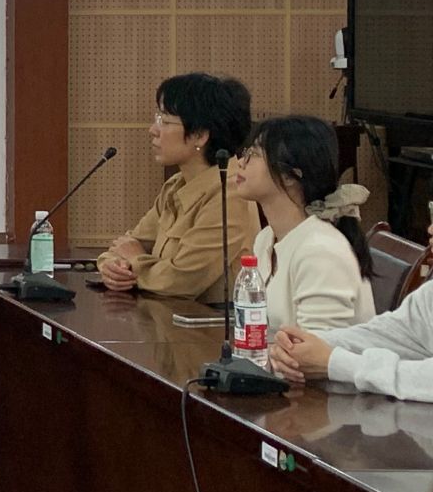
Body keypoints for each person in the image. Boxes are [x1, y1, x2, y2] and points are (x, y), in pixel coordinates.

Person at [97, 73, 259, 302]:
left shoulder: (231, 192)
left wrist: (135, 262)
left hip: (210, 322)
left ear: (200, 135)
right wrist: (112, 267)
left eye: (165, 121)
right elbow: (127, 244)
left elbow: (183, 281)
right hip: (167, 315)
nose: (153, 130)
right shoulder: (176, 185)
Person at [228, 115, 374, 333]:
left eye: (254, 155)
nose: (240, 162)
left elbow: (320, 348)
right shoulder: (266, 238)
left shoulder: (320, 251)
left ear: (290, 175)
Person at [273, 229, 433, 401]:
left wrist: (335, 363)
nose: (430, 229)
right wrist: (299, 346)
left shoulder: (321, 248)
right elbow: (386, 334)